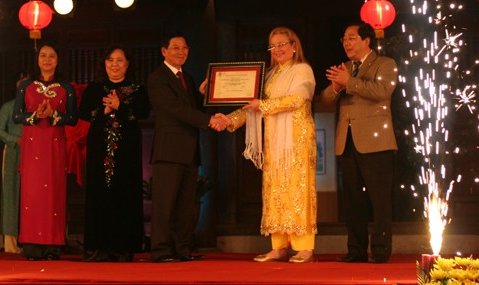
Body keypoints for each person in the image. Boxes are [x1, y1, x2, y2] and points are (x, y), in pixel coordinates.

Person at [218, 27, 317, 263]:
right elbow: (253, 106)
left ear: (294, 45)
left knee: (297, 190)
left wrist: (262, 105)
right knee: (275, 192)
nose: (278, 49)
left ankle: (304, 247)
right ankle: (279, 246)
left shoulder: (303, 70)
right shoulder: (270, 75)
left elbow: (297, 99)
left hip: (297, 140)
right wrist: (229, 120)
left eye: (282, 44)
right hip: (274, 141)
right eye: (273, 46)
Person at [320, 21, 398, 263]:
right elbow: (324, 100)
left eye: (351, 38)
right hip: (347, 141)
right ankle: (356, 250)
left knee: (379, 200)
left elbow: (382, 91)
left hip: (377, 141)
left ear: (366, 40)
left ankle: (381, 250)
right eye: (344, 38)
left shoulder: (385, 64)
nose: (346, 42)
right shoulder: (345, 67)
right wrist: (334, 87)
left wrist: (348, 82)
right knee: (352, 201)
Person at [147, 33, 225, 263]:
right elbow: (175, 109)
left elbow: (191, 108)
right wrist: (208, 120)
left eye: (185, 48)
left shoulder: (187, 78)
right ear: (164, 51)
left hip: (190, 151)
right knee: (164, 204)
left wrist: (202, 95)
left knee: (186, 205)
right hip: (168, 151)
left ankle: (182, 249)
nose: (181, 52)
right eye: (175, 48)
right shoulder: (157, 78)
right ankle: (160, 251)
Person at [79, 45, 150, 262]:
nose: (115, 65)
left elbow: (144, 113)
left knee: (125, 192)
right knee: (99, 193)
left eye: (120, 60)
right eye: (110, 60)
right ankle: (98, 247)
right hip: (99, 149)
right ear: (104, 64)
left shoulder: (137, 88)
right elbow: (83, 113)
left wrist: (121, 107)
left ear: (127, 64)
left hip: (127, 149)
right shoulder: (94, 88)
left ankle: (123, 248)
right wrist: (105, 111)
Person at [13, 42, 78, 261]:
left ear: (58, 60)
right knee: (32, 193)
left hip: (54, 145)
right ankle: (31, 244)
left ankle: (53, 246)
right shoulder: (26, 86)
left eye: (51, 55)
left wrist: (54, 115)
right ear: (38, 59)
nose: (47, 59)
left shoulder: (66, 88)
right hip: (32, 145)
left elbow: (73, 118)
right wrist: (35, 116)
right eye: (43, 55)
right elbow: (16, 116)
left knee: (53, 192)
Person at [0, 71, 29, 254]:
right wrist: (15, 140)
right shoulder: (8, 107)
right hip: (13, 153)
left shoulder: (36, 107)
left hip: (34, 154)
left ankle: (32, 240)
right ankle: (11, 243)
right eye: (20, 85)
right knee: (11, 193)